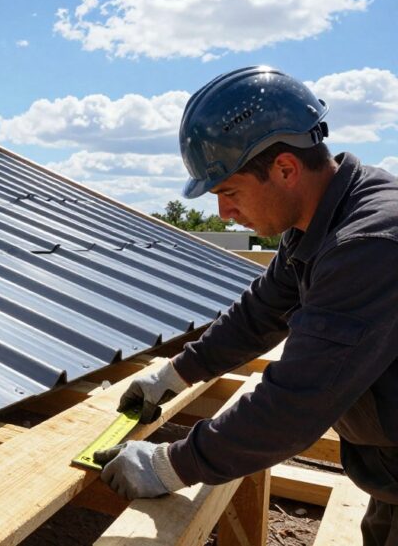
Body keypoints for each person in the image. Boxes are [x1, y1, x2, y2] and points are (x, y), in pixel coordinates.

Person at [94, 66, 398, 545]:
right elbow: (259, 313)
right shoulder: (315, 223)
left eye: (229, 192)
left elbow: (296, 404)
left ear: (284, 169)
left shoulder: (370, 244)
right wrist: (173, 375)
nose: (223, 214)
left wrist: (169, 465)